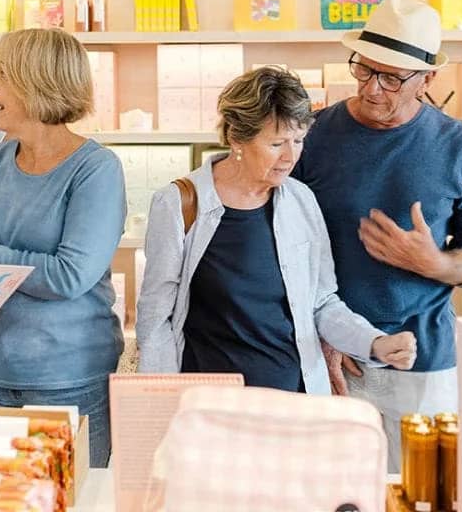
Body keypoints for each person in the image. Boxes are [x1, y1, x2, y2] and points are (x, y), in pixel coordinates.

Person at [291, 0, 462, 469]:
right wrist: (321, 338)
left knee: (424, 493)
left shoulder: (459, 144)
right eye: (364, 70)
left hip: (423, 359)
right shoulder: (314, 136)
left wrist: (434, 263)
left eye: (391, 78)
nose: (372, 89)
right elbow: (287, 252)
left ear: (428, 79)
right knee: (335, 493)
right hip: (336, 356)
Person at [136, 66, 417, 396]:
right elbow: (156, 321)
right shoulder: (180, 204)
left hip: (292, 402)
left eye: (298, 141)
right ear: (237, 138)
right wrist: (161, 405)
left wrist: (375, 343)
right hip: (211, 408)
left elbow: (322, 304)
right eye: (276, 143)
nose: (290, 156)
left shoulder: (301, 201)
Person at [0, 28, 127, 469]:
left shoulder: (95, 170)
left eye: (4, 74)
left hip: (66, 381)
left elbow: (70, 275)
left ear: (38, 83)